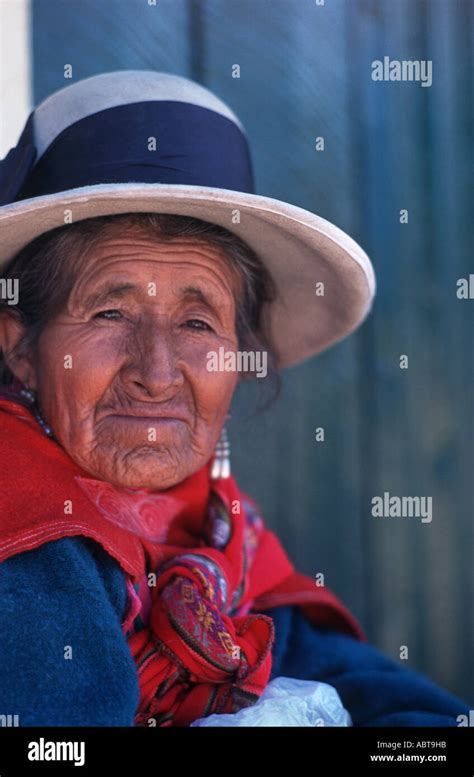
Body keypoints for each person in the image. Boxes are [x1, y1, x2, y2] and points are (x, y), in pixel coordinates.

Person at [0, 70, 468, 727]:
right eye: (110, 312)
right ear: (21, 343)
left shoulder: (216, 537)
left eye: (198, 322)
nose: (157, 373)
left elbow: (369, 686)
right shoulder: (26, 533)